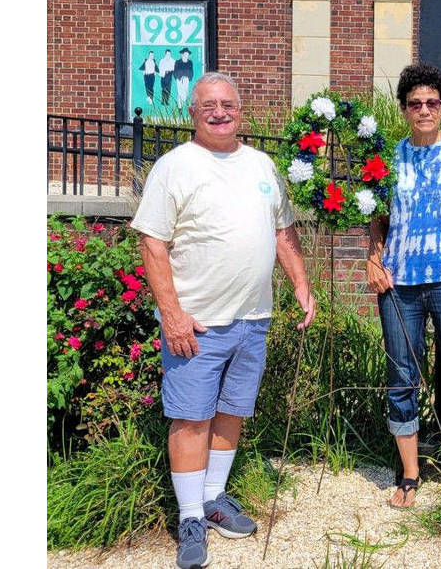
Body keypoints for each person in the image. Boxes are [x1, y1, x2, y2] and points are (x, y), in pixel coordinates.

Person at [131, 71, 316, 569]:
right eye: (209, 105)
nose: (219, 112)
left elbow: (283, 231)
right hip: (198, 323)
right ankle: (189, 516)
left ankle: (213, 499)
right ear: (193, 112)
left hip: (252, 318)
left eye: (228, 105)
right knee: (192, 417)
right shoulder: (175, 166)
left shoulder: (261, 164)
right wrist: (171, 314)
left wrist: (300, 283)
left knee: (232, 410)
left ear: (241, 110)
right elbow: (153, 241)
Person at [366, 63, 441, 509]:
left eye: (432, 103)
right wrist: (373, 258)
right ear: (403, 109)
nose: (424, 110)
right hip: (400, 286)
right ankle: (411, 473)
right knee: (401, 377)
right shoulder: (387, 158)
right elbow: (377, 219)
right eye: (415, 103)